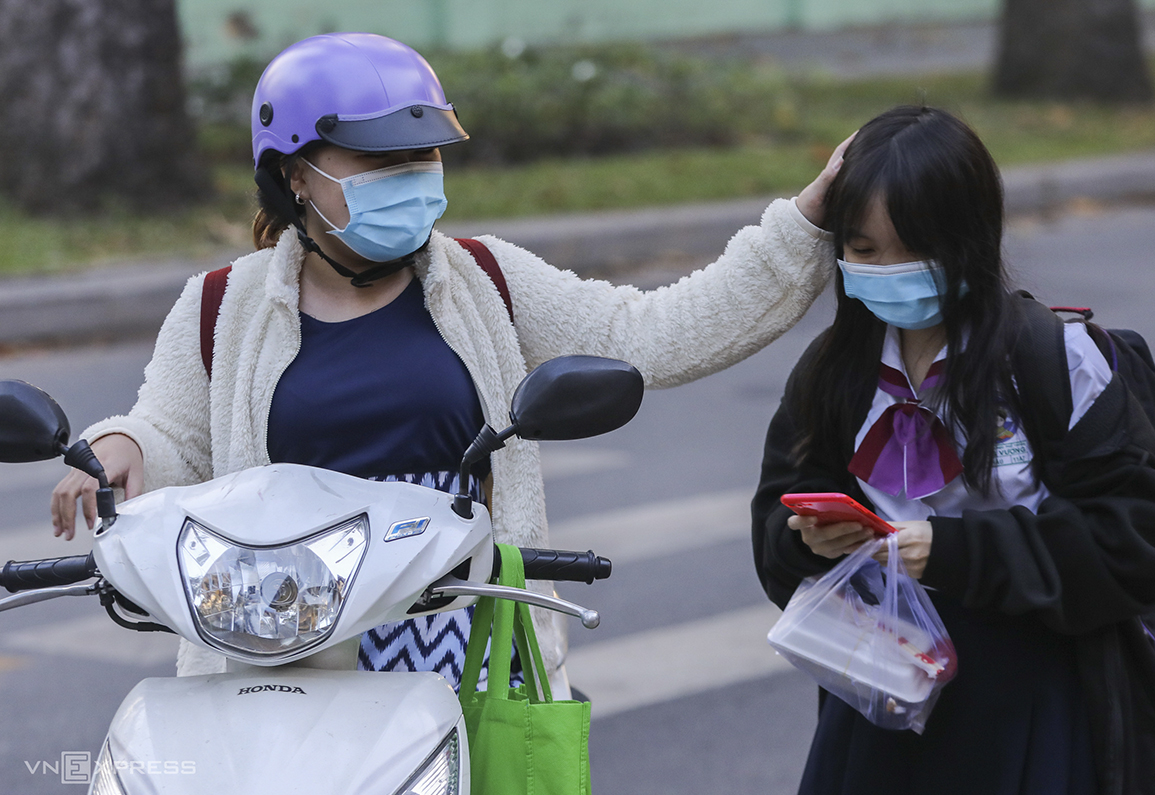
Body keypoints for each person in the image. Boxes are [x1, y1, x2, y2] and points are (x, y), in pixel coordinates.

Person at [50, 32, 844, 692]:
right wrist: (122, 443)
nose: (412, 178)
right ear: (294, 174)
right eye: (378, 161)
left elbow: (652, 334)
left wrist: (803, 225)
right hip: (283, 646)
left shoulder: (486, 278)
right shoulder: (222, 303)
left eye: (423, 156)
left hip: (460, 644)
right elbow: (173, 434)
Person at [751, 105, 1155, 795]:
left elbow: (1132, 544)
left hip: (1039, 700)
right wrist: (817, 540)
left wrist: (954, 552)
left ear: (970, 237)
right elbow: (775, 548)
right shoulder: (832, 372)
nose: (887, 270)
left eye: (914, 246)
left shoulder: (1056, 360)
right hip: (881, 704)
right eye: (864, 250)